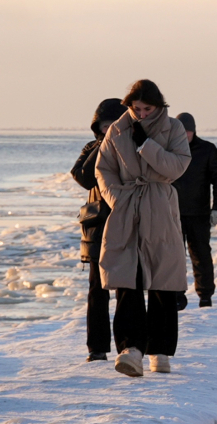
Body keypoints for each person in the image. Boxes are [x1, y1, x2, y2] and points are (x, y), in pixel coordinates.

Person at [95, 79, 192, 377]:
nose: (141, 114)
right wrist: (116, 197)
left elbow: (177, 167)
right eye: (135, 108)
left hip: (160, 205)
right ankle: (130, 349)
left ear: (158, 105)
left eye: (146, 108)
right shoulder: (117, 130)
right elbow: (103, 168)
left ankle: (160, 351)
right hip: (127, 207)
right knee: (127, 277)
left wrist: (146, 145)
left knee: (163, 280)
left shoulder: (173, 128)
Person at [72, 98, 127, 362]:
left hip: (127, 223)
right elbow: (82, 176)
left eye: (114, 125)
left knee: (128, 288)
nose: (109, 130)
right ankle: (97, 348)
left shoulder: (132, 147)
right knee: (97, 289)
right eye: (105, 126)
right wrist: (102, 146)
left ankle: (128, 345)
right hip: (98, 226)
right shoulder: (92, 148)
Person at [171, 112, 217, 310]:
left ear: (194, 131)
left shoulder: (207, 150)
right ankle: (177, 295)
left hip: (199, 214)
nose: (185, 135)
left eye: (188, 131)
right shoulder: (168, 150)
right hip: (173, 215)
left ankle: (205, 296)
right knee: (175, 257)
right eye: (181, 132)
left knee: (201, 255)